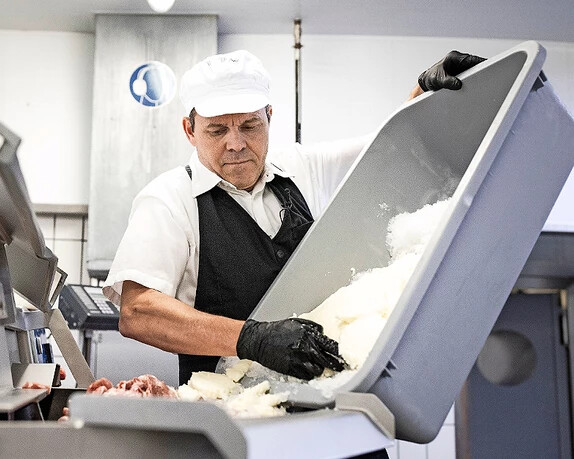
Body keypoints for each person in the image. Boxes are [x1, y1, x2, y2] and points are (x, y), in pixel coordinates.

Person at [102, 49, 484, 386]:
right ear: (190, 130)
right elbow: (137, 312)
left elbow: (387, 146)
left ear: (269, 117)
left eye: (250, 125)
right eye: (217, 130)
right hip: (232, 415)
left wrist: (427, 96)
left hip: (327, 392)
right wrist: (252, 340)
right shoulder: (169, 199)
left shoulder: (301, 168)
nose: (235, 143)